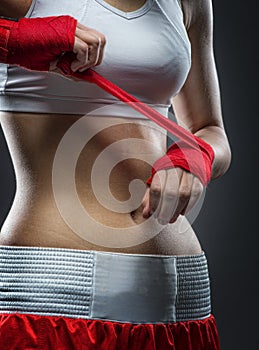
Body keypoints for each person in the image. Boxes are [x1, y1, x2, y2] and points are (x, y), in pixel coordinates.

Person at [0, 0, 231, 349]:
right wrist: (11, 40)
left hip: (181, 303)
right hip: (51, 299)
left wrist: (194, 156)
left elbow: (209, 128)